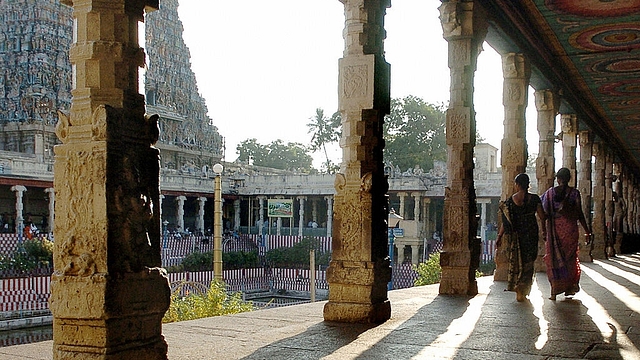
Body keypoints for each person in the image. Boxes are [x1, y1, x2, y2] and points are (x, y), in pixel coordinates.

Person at [541, 167, 592, 301]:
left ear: (557, 179)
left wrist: (543, 230)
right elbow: (579, 214)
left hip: (554, 230)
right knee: (569, 260)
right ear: (569, 179)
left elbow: (543, 214)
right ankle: (569, 286)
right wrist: (587, 231)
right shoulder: (574, 193)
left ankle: (554, 291)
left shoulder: (549, 194)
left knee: (554, 259)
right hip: (570, 230)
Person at [497, 173, 546, 302]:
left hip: (517, 236)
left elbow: (506, 221)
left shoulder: (510, 201)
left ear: (517, 185)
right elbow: (542, 217)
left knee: (517, 260)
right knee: (529, 262)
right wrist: (545, 231)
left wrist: (499, 236)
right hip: (531, 234)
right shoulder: (535, 199)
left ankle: (517, 285)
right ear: (528, 184)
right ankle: (523, 288)